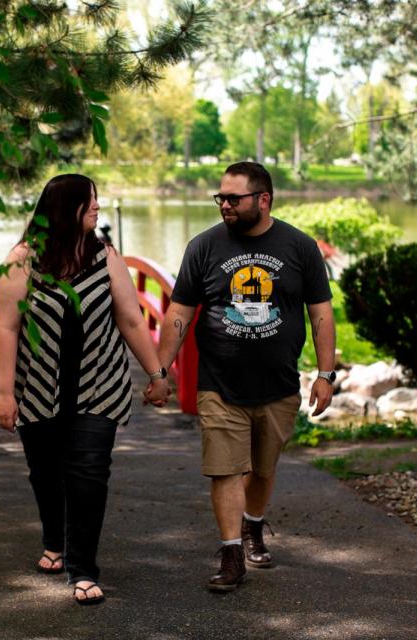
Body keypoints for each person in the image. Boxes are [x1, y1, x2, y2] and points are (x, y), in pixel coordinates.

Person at [147, 161, 335, 592]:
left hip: (280, 383)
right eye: (221, 198)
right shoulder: (204, 247)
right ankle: (231, 553)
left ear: (263, 199)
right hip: (220, 383)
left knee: (263, 469)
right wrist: (160, 371)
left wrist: (325, 374)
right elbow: (179, 313)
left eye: (234, 198)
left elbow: (320, 314)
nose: (225, 205)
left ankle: (253, 525)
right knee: (225, 469)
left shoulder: (299, 247)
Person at [0, 174, 170, 605]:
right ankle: (54, 541)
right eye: (90, 201)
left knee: (89, 473)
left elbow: (131, 319)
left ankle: (84, 570)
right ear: (65, 208)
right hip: (36, 385)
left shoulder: (105, 256)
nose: (97, 207)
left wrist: (157, 373)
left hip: (100, 382)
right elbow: (7, 328)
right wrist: (4, 393)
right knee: (46, 472)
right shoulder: (22, 259)